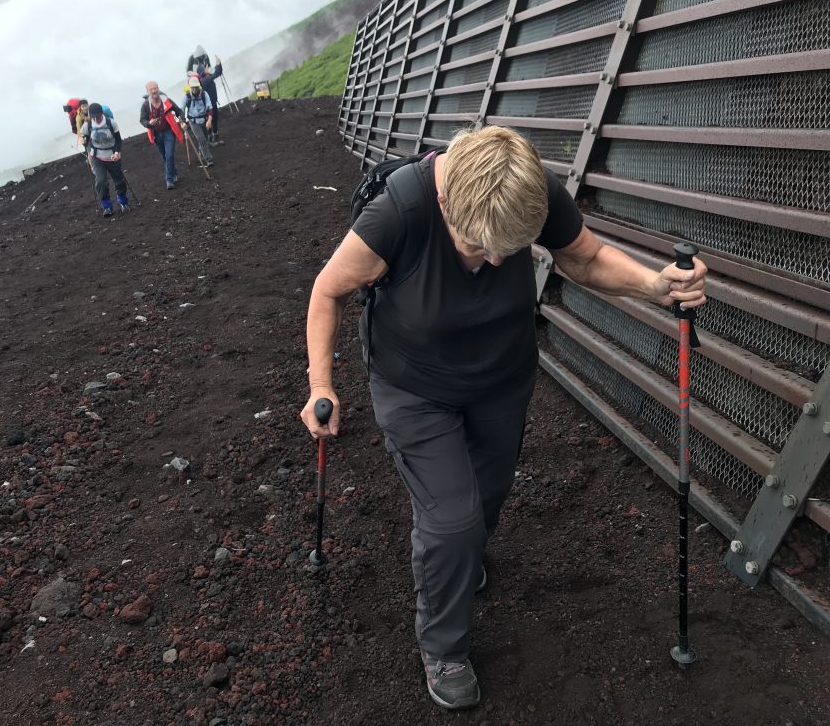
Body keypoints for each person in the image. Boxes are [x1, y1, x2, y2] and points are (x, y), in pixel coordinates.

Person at [299, 126, 708, 710]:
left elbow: (585, 258)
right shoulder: (400, 212)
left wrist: (654, 285)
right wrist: (322, 384)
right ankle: (443, 645)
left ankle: (458, 565)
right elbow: (327, 290)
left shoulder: (528, 191)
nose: (494, 260)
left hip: (501, 376)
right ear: (446, 204)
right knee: (453, 522)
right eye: (479, 246)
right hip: (415, 386)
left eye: (508, 251)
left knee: (486, 499)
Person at [80, 103, 130, 216]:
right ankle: (107, 207)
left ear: (102, 113)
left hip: (112, 155)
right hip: (97, 157)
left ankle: (123, 203)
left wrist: (117, 152)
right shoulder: (87, 125)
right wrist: (84, 141)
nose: (96, 119)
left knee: (119, 180)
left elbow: (118, 140)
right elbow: (86, 139)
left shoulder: (111, 123)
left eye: (97, 116)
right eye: (93, 117)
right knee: (101, 181)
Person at [140, 81, 185, 190]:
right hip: (156, 135)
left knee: (169, 155)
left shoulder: (166, 100)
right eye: (151, 90)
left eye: (155, 88)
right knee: (165, 156)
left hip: (169, 131)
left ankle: (169, 180)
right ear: (148, 92)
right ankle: (173, 173)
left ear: (158, 88)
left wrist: (183, 122)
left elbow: (179, 111)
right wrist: (149, 123)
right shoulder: (146, 105)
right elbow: (142, 120)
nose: (154, 91)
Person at [182, 76, 214, 167]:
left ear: (199, 86)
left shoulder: (204, 94)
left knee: (205, 139)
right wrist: (183, 122)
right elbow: (182, 110)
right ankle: (209, 159)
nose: (194, 89)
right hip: (193, 121)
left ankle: (202, 151)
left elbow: (210, 108)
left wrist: (209, 120)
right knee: (202, 139)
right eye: (193, 87)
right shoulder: (186, 97)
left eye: (196, 87)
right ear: (190, 87)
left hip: (204, 120)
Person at [197, 57, 224, 145]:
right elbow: (217, 73)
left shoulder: (201, 81)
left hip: (207, 106)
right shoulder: (206, 80)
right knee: (213, 120)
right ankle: (214, 138)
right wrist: (218, 64)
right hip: (211, 105)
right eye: (205, 68)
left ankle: (210, 138)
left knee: (209, 121)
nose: (207, 69)